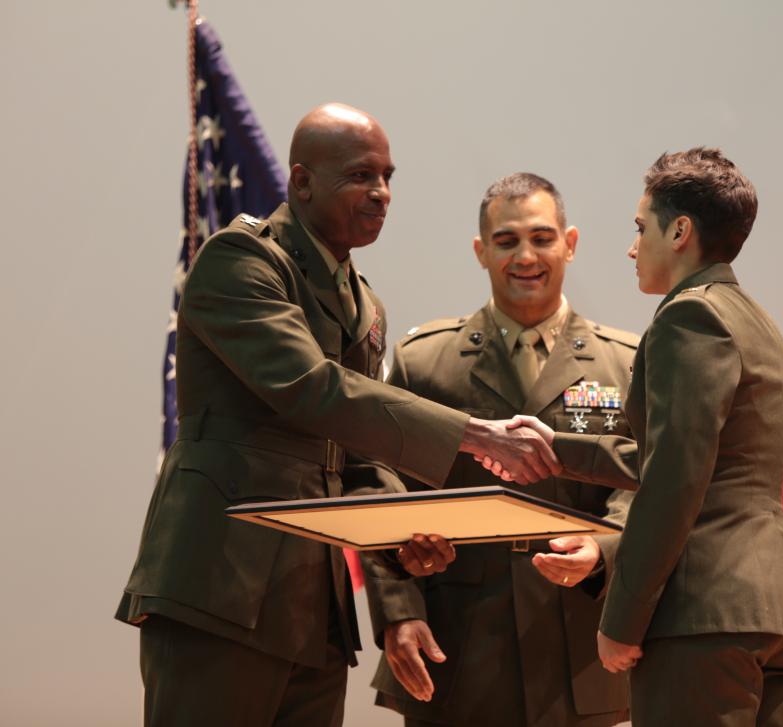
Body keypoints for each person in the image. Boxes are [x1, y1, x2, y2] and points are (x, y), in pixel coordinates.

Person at [115, 103, 560, 727]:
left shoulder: (362, 299)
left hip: (309, 606)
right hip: (219, 584)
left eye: (387, 177)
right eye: (360, 176)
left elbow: (352, 453)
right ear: (302, 182)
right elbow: (313, 389)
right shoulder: (241, 260)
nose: (380, 193)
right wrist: (472, 434)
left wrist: (401, 535)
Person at [506, 149, 783, 726]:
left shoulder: (688, 317)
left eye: (639, 227)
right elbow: (690, 455)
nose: (632, 248)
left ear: (679, 231)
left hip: (706, 614)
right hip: (778, 611)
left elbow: (674, 481)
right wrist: (556, 450)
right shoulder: (754, 317)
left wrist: (620, 621)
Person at [362, 173, 638, 727]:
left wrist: (605, 549)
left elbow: (648, 482)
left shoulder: (626, 364)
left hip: (580, 648)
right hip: (460, 647)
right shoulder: (425, 362)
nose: (526, 256)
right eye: (507, 241)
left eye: (542, 237)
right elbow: (380, 487)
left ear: (571, 243)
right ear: (481, 251)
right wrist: (398, 611)